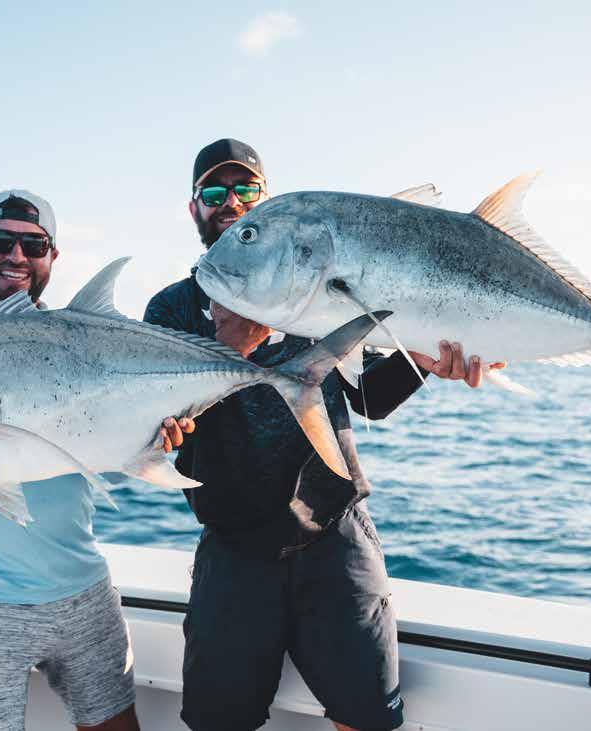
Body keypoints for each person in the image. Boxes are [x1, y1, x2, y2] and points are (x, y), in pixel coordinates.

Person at [145, 139, 497, 731]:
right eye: (215, 191)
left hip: (335, 534)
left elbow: (367, 399)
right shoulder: (171, 310)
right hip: (233, 547)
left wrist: (419, 362)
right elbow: (160, 429)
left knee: (366, 720)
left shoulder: (317, 288)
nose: (231, 201)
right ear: (194, 208)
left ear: (267, 200)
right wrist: (230, 351)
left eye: (246, 189)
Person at [0, 189, 189, 731]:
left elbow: (110, 432)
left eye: (33, 245)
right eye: (0, 241)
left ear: (53, 256)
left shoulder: (85, 339)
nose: (16, 256)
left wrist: (153, 439)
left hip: (84, 590)